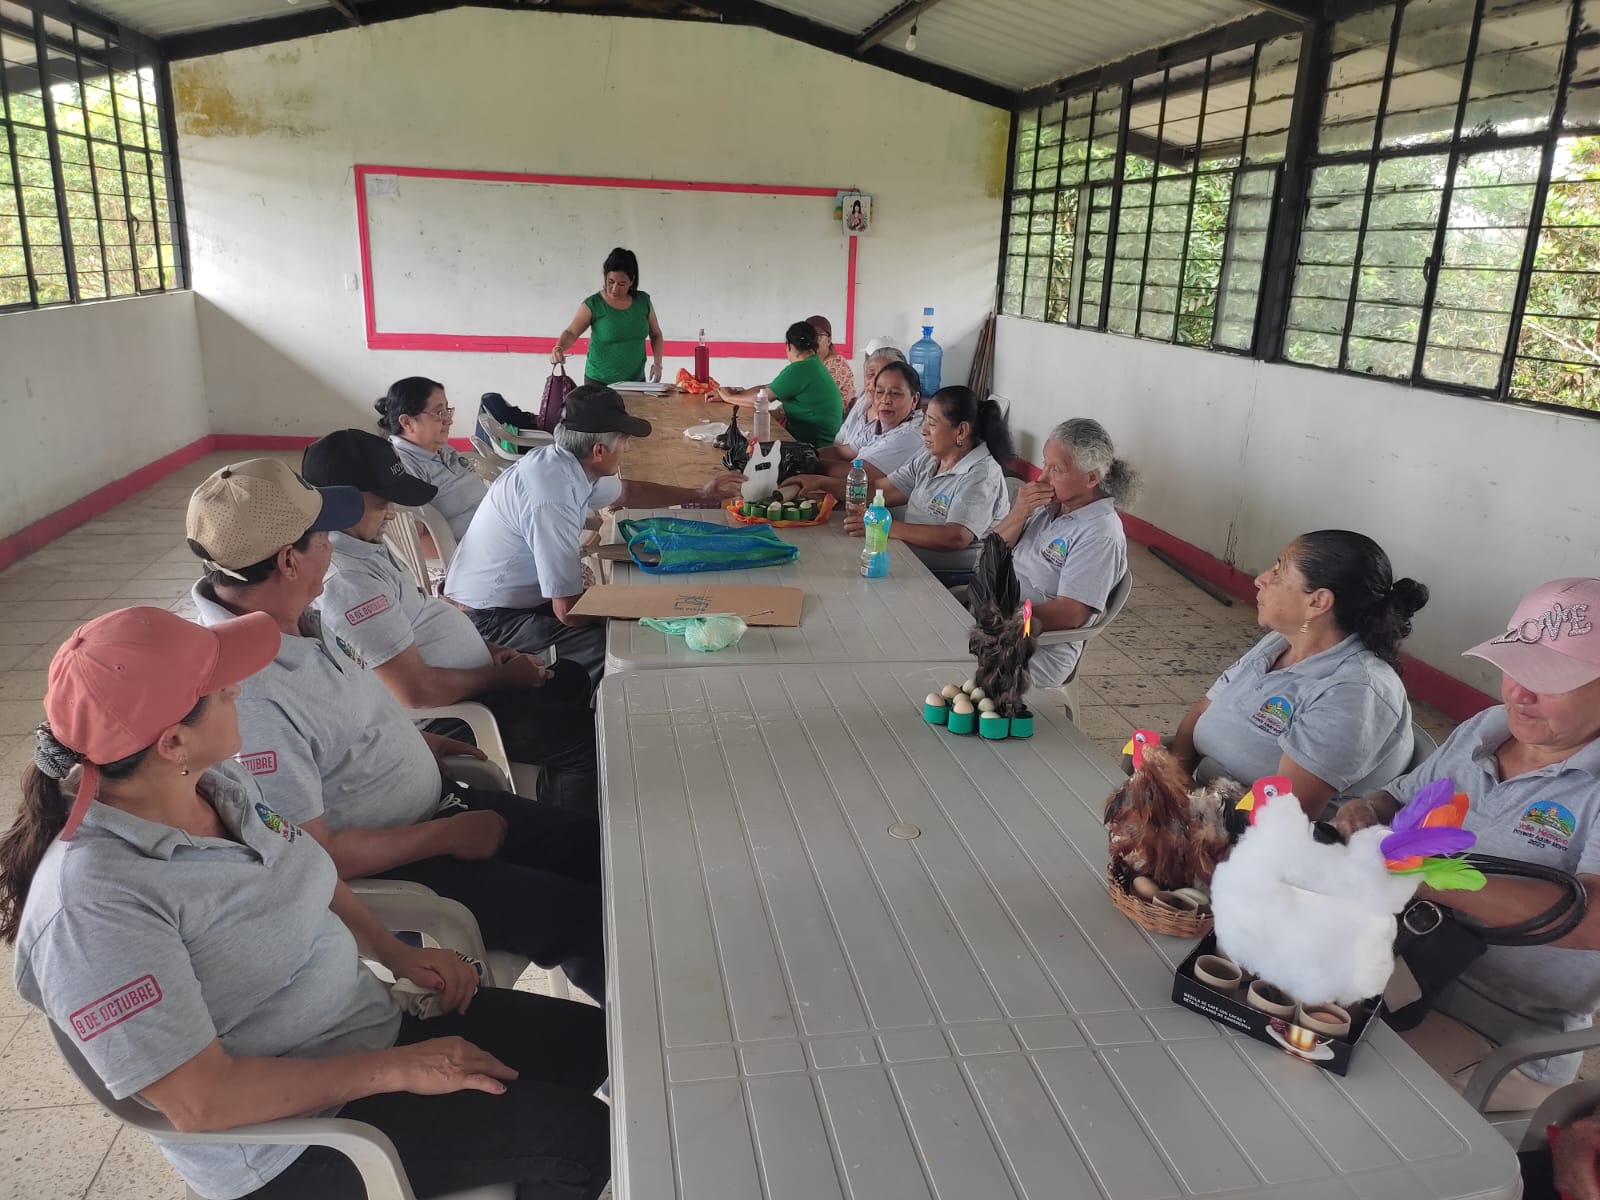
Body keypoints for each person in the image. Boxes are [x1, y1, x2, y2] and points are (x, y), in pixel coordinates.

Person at [0, 606, 610, 1200]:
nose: (239, 689)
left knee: (603, 1048)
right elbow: (200, 1101)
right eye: (219, 688)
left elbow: (305, 867)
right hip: (290, 1141)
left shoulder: (217, 784)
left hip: (365, 1030)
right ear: (173, 742)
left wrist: (394, 952)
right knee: (586, 1137)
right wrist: (401, 1070)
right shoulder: (90, 908)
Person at [184, 458, 606, 1003]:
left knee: (606, 852)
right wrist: (444, 836)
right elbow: (309, 855)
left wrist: (420, 744)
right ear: (289, 560)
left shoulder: (298, 620)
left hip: (441, 808)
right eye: (322, 536)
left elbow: (345, 728)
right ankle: (652, 1034)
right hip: (405, 866)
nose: (333, 546)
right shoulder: (249, 694)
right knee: (586, 919)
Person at [1334, 578, 1600, 1111]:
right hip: (1396, 966)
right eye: (1515, 668)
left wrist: (1424, 874)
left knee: (1329, 1087)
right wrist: (1364, 810)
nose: (1519, 693)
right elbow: (1398, 798)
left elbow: (1590, 919)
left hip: (1495, 1031)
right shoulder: (1489, 728)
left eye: (1548, 680)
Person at [301, 429, 598, 814]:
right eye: (382, 503)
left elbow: (423, 620)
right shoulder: (348, 582)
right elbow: (415, 693)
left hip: (471, 685)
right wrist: (501, 677)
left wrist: (491, 651)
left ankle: (551, 791)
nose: (391, 513)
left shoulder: (364, 544)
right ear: (341, 504)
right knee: (587, 741)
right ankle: (572, 831)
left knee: (571, 677)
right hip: (446, 714)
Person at [445, 386, 744, 688]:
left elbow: (630, 492)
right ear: (599, 450)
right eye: (624, 442)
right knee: (624, 646)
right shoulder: (552, 498)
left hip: (513, 602)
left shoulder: (566, 463)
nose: (627, 449)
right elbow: (569, 611)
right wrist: (643, 610)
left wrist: (700, 494)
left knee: (632, 625)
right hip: (490, 620)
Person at [1171, 530, 1428, 818]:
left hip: (1251, 831)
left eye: (1278, 572)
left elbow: (1285, 814)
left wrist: (1184, 807)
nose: (1261, 579)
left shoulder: (1355, 692)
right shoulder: (1280, 643)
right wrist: (1172, 783)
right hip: (1202, 803)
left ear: (1318, 602)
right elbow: (1201, 712)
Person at [989, 418, 1138, 688]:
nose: (1042, 477)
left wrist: (1004, 621)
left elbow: (1070, 614)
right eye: (1045, 464)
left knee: (938, 660)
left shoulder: (1100, 534)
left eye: (1056, 469)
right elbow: (991, 553)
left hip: (1036, 647)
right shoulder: (1049, 505)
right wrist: (1019, 513)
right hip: (996, 617)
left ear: (1092, 478)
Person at [799, 385, 1012, 558]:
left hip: (948, 571)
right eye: (925, 421)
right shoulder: (930, 457)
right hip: (909, 553)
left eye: (932, 423)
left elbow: (956, 537)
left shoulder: (981, 474)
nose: (924, 430)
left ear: (962, 431)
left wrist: (884, 527)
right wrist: (821, 482)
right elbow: (879, 490)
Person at [375, 376, 488, 541]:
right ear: (407, 422)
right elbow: (419, 542)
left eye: (447, 410)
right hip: (473, 548)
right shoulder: (403, 467)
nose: (449, 420)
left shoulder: (440, 447)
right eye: (439, 413)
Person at [710, 320, 843, 447]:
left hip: (812, 446)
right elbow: (768, 388)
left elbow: (760, 400)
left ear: (789, 346)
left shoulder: (801, 368)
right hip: (811, 440)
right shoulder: (813, 364)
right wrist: (735, 393)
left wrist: (728, 397)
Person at [550, 247, 664, 387]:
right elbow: (571, 332)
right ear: (605, 276)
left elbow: (656, 334)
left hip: (635, 383)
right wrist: (559, 347)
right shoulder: (594, 304)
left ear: (632, 281)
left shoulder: (643, 302)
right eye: (610, 281)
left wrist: (658, 364)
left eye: (621, 284)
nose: (615, 289)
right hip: (599, 383)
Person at [800, 360, 925, 483]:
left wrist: (805, 463)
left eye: (896, 393)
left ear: (914, 399)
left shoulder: (910, 436)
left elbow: (858, 474)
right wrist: (807, 454)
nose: (885, 400)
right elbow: (841, 452)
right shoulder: (882, 425)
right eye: (880, 392)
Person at [807, 314, 856, 405]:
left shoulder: (837, 363)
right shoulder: (810, 362)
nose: (812, 341)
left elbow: (815, 397)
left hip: (834, 413)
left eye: (818, 336)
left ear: (829, 340)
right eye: (808, 336)